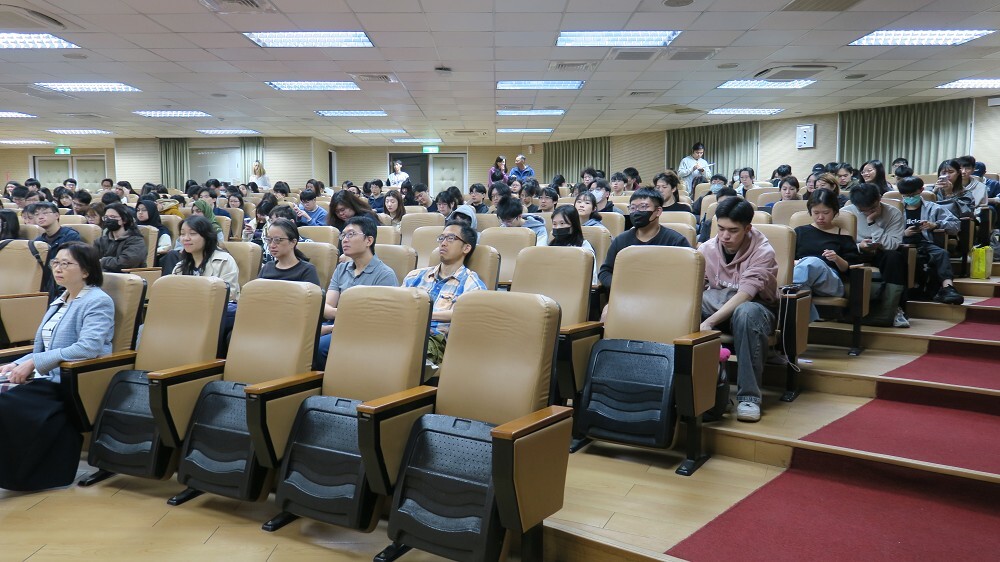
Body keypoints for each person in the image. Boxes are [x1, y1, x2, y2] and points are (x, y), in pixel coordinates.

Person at [0, 242, 115, 491]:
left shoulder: (97, 301)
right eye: (56, 263)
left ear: (86, 271)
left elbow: (88, 348)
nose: (58, 268)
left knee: (5, 403)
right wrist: (15, 364)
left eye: (66, 263)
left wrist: (34, 363)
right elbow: (42, 348)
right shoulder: (60, 300)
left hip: (72, 380)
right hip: (46, 375)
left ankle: (21, 474)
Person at [698, 198, 779, 423]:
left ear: (748, 228)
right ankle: (693, 389)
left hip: (757, 307)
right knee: (687, 305)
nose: (725, 236)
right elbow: (695, 286)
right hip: (718, 302)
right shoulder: (706, 248)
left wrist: (709, 322)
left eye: (733, 231)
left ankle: (749, 397)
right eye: (721, 229)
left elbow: (746, 294)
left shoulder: (763, 251)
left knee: (746, 312)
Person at [315, 216, 397, 365]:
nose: (344, 240)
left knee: (319, 347)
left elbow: (378, 318)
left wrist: (339, 318)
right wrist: (339, 322)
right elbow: (326, 308)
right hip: (336, 325)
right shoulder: (341, 269)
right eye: (343, 235)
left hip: (363, 332)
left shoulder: (385, 274)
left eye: (351, 234)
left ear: (369, 240)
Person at [403, 221, 487, 364]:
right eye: (441, 238)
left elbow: (467, 316)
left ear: (466, 248)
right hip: (403, 331)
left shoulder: (472, 284)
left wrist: (425, 315)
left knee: (400, 352)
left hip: (434, 341)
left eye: (451, 238)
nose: (443, 243)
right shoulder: (415, 276)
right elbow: (397, 305)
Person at [843, 183, 909, 327]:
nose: (868, 212)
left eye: (872, 208)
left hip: (882, 252)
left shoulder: (893, 213)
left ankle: (891, 310)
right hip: (856, 252)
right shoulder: (846, 213)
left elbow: (892, 245)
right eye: (863, 211)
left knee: (895, 258)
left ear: (879, 198)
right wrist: (859, 246)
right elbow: (841, 244)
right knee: (840, 256)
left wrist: (872, 223)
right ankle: (845, 310)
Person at [598, 188, 691, 289]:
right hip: (627, 293)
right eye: (633, 208)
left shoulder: (676, 241)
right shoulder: (621, 240)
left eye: (643, 207)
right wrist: (621, 286)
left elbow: (689, 273)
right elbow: (605, 272)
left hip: (664, 292)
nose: (637, 212)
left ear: (658, 211)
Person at [792, 190, 863, 321]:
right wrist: (797, 262)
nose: (820, 217)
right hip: (803, 278)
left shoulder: (843, 235)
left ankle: (788, 297)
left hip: (831, 282)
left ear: (835, 211)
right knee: (804, 275)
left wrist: (837, 259)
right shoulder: (799, 232)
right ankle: (804, 323)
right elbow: (787, 260)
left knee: (813, 262)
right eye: (816, 213)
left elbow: (851, 268)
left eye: (825, 213)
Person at [896, 176, 964, 305]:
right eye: (906, 196)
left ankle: (948, 288)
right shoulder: (896, 209)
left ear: (921, 190)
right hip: (900, 243)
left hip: (924, 243)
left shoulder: (933, 208)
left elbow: (956, 225)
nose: (909, 198)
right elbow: (885, 231)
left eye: (913, 195)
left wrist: (935, 224)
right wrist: (903, 233)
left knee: (942, 253)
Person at [31, 202, 82, 297]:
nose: (40, 217)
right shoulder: (38, 241)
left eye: (45, 213)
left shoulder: (70, 236)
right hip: (44, 280)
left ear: (57, 215)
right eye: (36, 214)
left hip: (62, 282)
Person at [258, 218, 321, 286]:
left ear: (293, 242)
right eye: (269, 240)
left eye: (277, 240)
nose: (272, 245)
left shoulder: (306, 270)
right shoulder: (267, 267)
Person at [549, 204, 598, 284]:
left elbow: (591, 280)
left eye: (562, 223)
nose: (557, 227)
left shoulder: (585, 250)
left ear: (574, 225)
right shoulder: (550, 247)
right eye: (554, 224)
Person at [94, 203, 147, 272]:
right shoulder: (101, 241)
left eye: (113, 217)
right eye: (106, 217)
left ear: (124, 220)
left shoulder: (136, 241)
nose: (109, 220)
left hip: (127, 276)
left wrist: (103, 261)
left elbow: (126, 262)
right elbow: (92, 260)